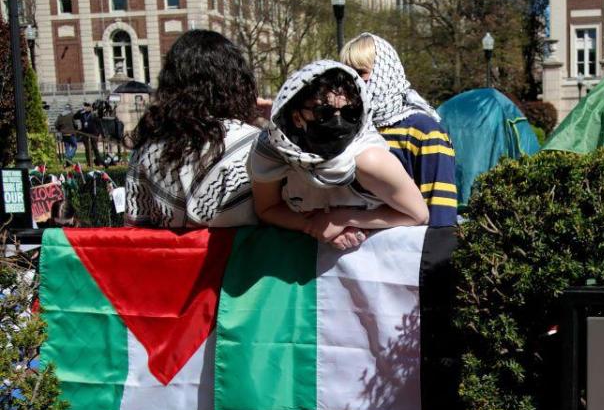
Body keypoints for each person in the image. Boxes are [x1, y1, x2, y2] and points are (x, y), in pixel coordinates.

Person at [248, 60, 427, 250]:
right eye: (324, 113)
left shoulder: (369, 160)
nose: (339, 123)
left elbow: (418, 214)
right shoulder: (273, 152)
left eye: (351, 112)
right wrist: (312, 225)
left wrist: (343, 219)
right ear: (297, 117)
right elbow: (267, 209)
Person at [124, 30, 262, 228]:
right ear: (236, 81)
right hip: (244, 257)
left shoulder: (147, 149)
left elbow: (135, 230)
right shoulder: (253, 144)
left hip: (171, 258)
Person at [340, 33, 458, 227]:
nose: (352, 83)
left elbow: (441, 216)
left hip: (407, 252)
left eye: (360, 73)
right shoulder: (347, 130)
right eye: (346, 75)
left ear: (385, 71)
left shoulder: (423, 131)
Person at [74, 102, 104, 167]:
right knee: (87, 149)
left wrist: (100, 134)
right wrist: (80, 111)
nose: (86, 107)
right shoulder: (82, 113)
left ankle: (99, 162)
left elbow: (99, 124)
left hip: (93, 133)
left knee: (95, 148)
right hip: (85, 133)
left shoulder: (94, 114)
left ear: (90, 107)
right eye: (85, 106)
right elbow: (75, 116)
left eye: (87, 106)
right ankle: (89, 163)